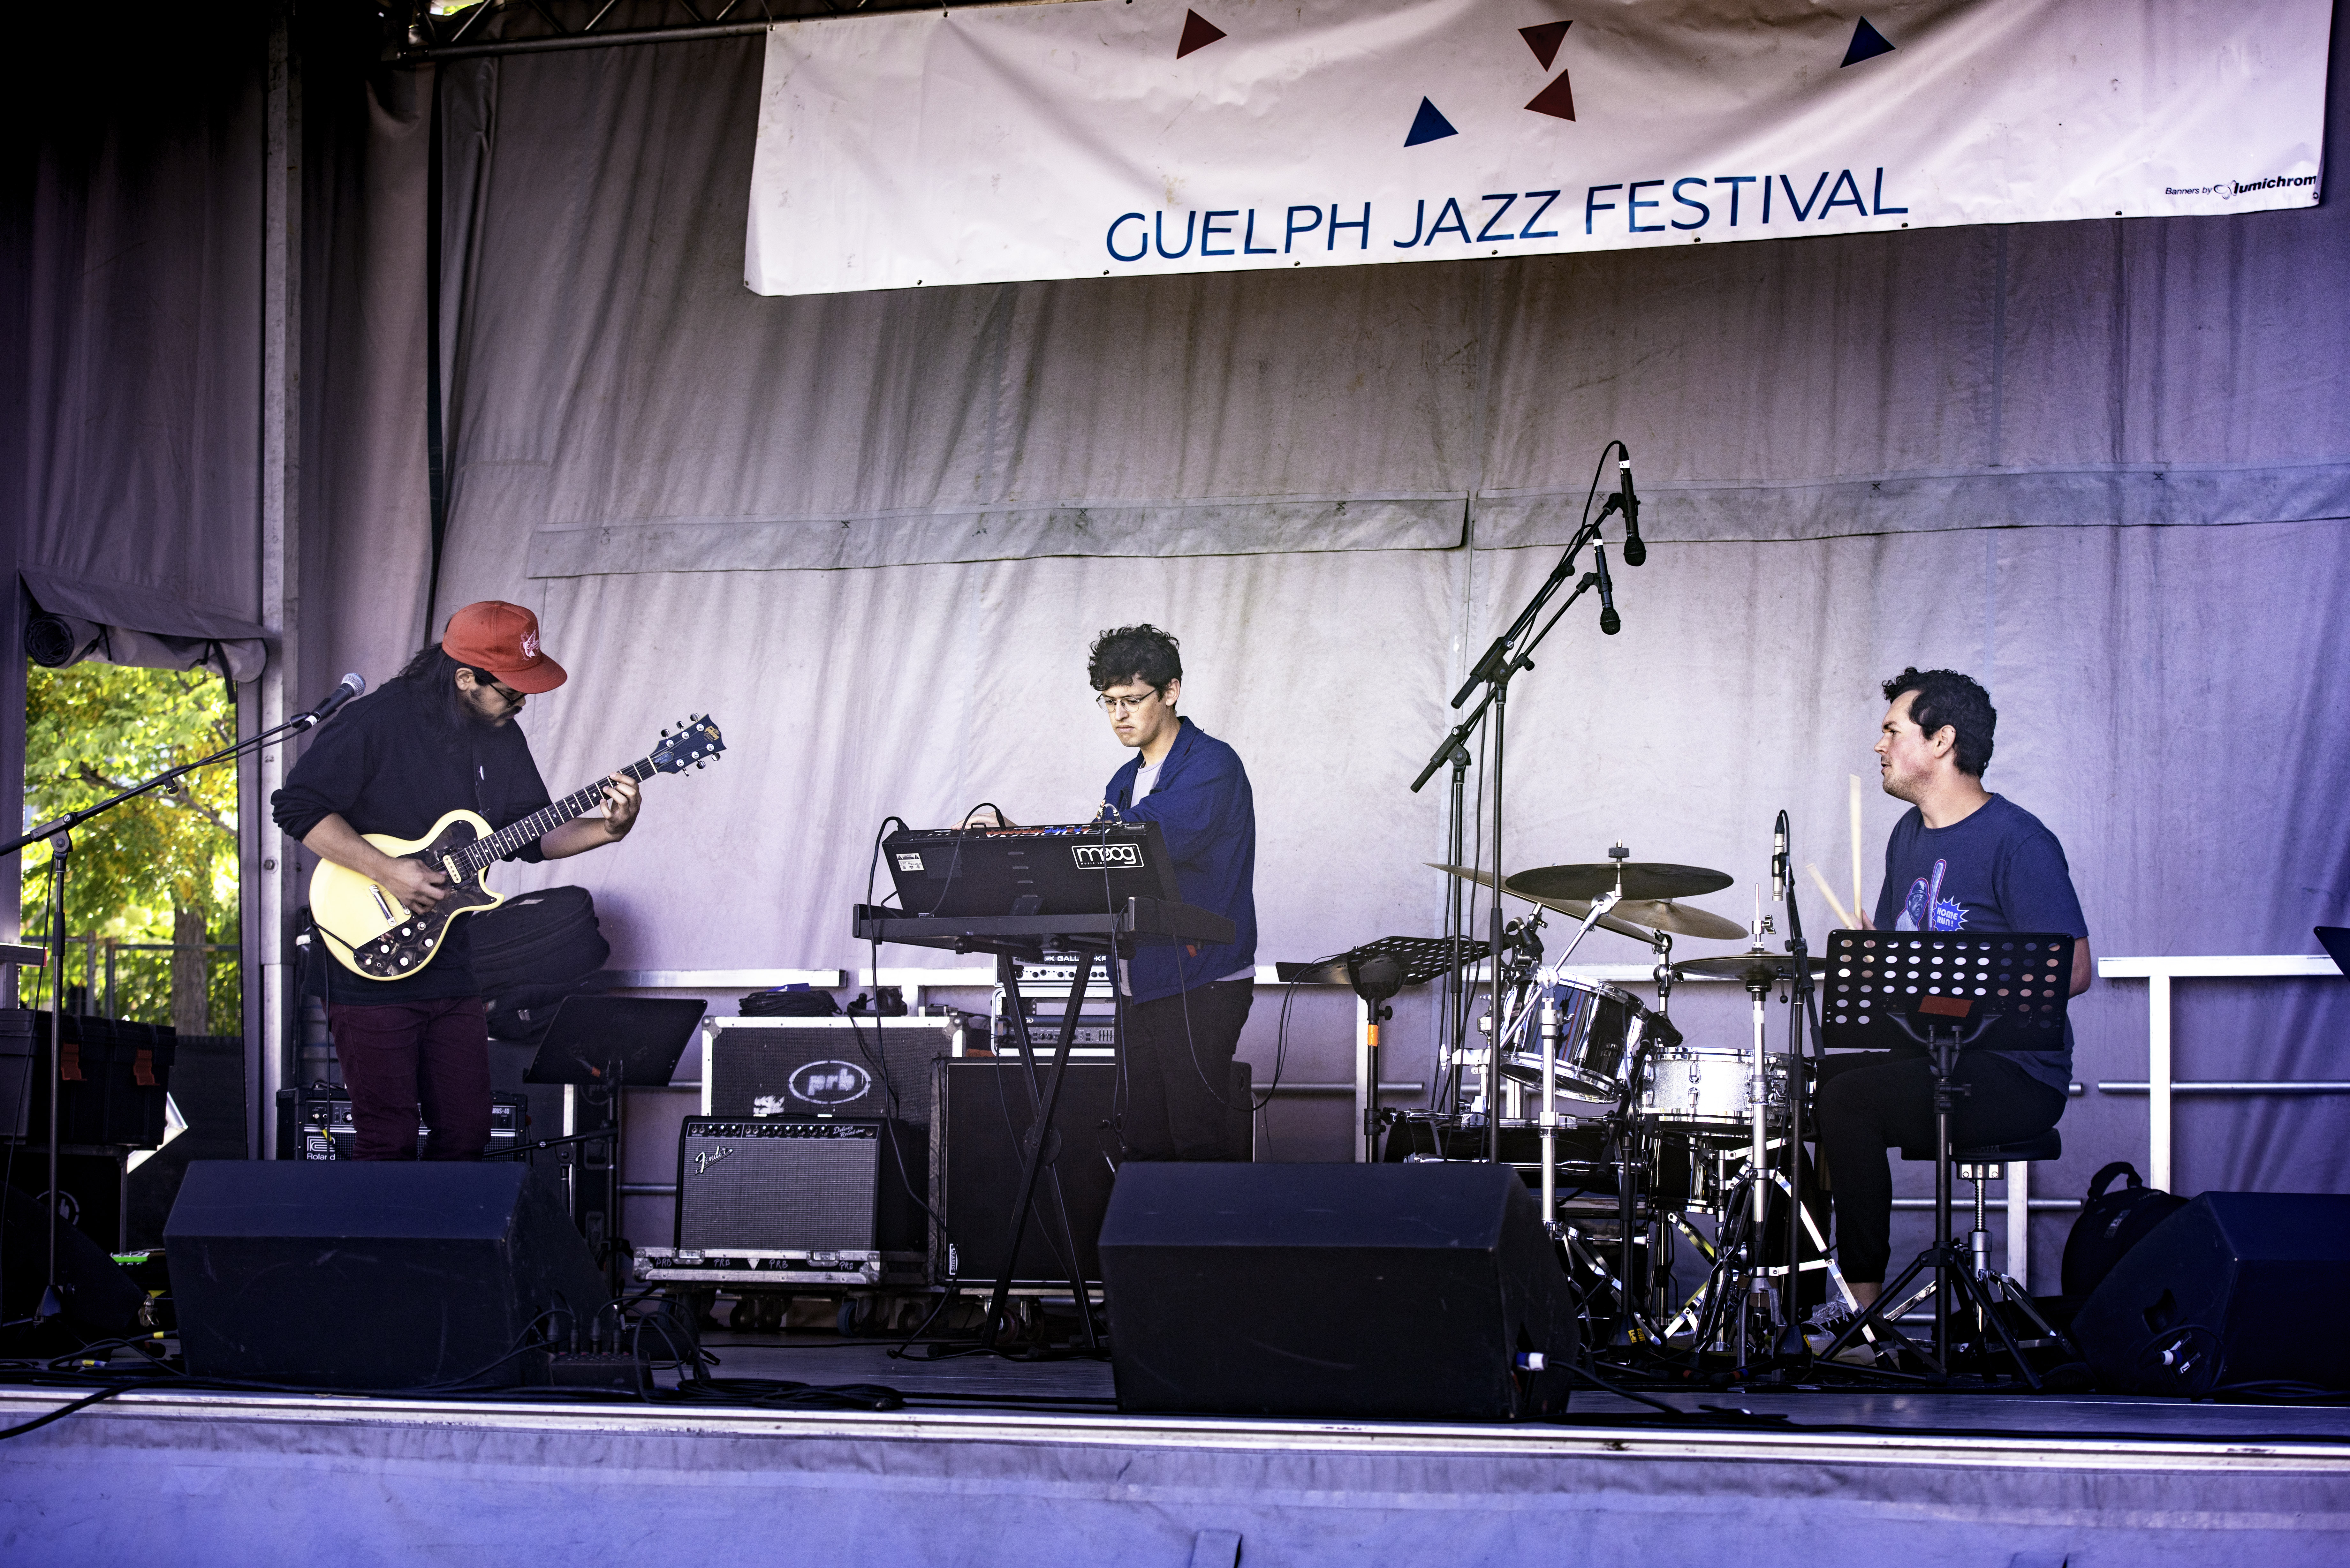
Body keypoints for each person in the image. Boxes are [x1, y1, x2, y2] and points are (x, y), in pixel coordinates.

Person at [271, 601, 641, 1160]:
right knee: (387, 1135)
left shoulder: (498, 734)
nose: (522, 702)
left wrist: (608, 831)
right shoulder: (378, 721)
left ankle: (451, 1249)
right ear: (466, 678)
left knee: (468, 1133)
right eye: (511, 690)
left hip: (452, 963)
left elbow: (528, 835)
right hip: (365, 955)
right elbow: (297, 807)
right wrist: (388, 871)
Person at [1815, 667, 2091, 1309]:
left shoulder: (2018, 840)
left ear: (1940, 741)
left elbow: (2074, 969)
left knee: (1849, 1100)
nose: (1878, 746)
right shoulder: (1906, 835)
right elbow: (1899, 969)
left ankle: (1859, 1312)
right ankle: (1802, 1296)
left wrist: (1958, 977)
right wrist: (1874, 963)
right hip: (1934, 1054)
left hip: (2014, 1073)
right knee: (1814, 1087)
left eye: (1890, 730)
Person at [969, 625, 1258, 1159]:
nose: (1120, 715)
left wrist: (1037, 841)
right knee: (1144, 1140)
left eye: (1132, 700)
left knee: (1195, 1139)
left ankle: (1201, 1245)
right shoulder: (1124, 780)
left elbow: (1138, 845)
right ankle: (1146, 1244)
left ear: (1171, 691)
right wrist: (1015, 838)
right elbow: (1094, 865)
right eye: (1109, 703)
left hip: (1201, 982)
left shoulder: (1212, 767)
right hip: (1140, 983)